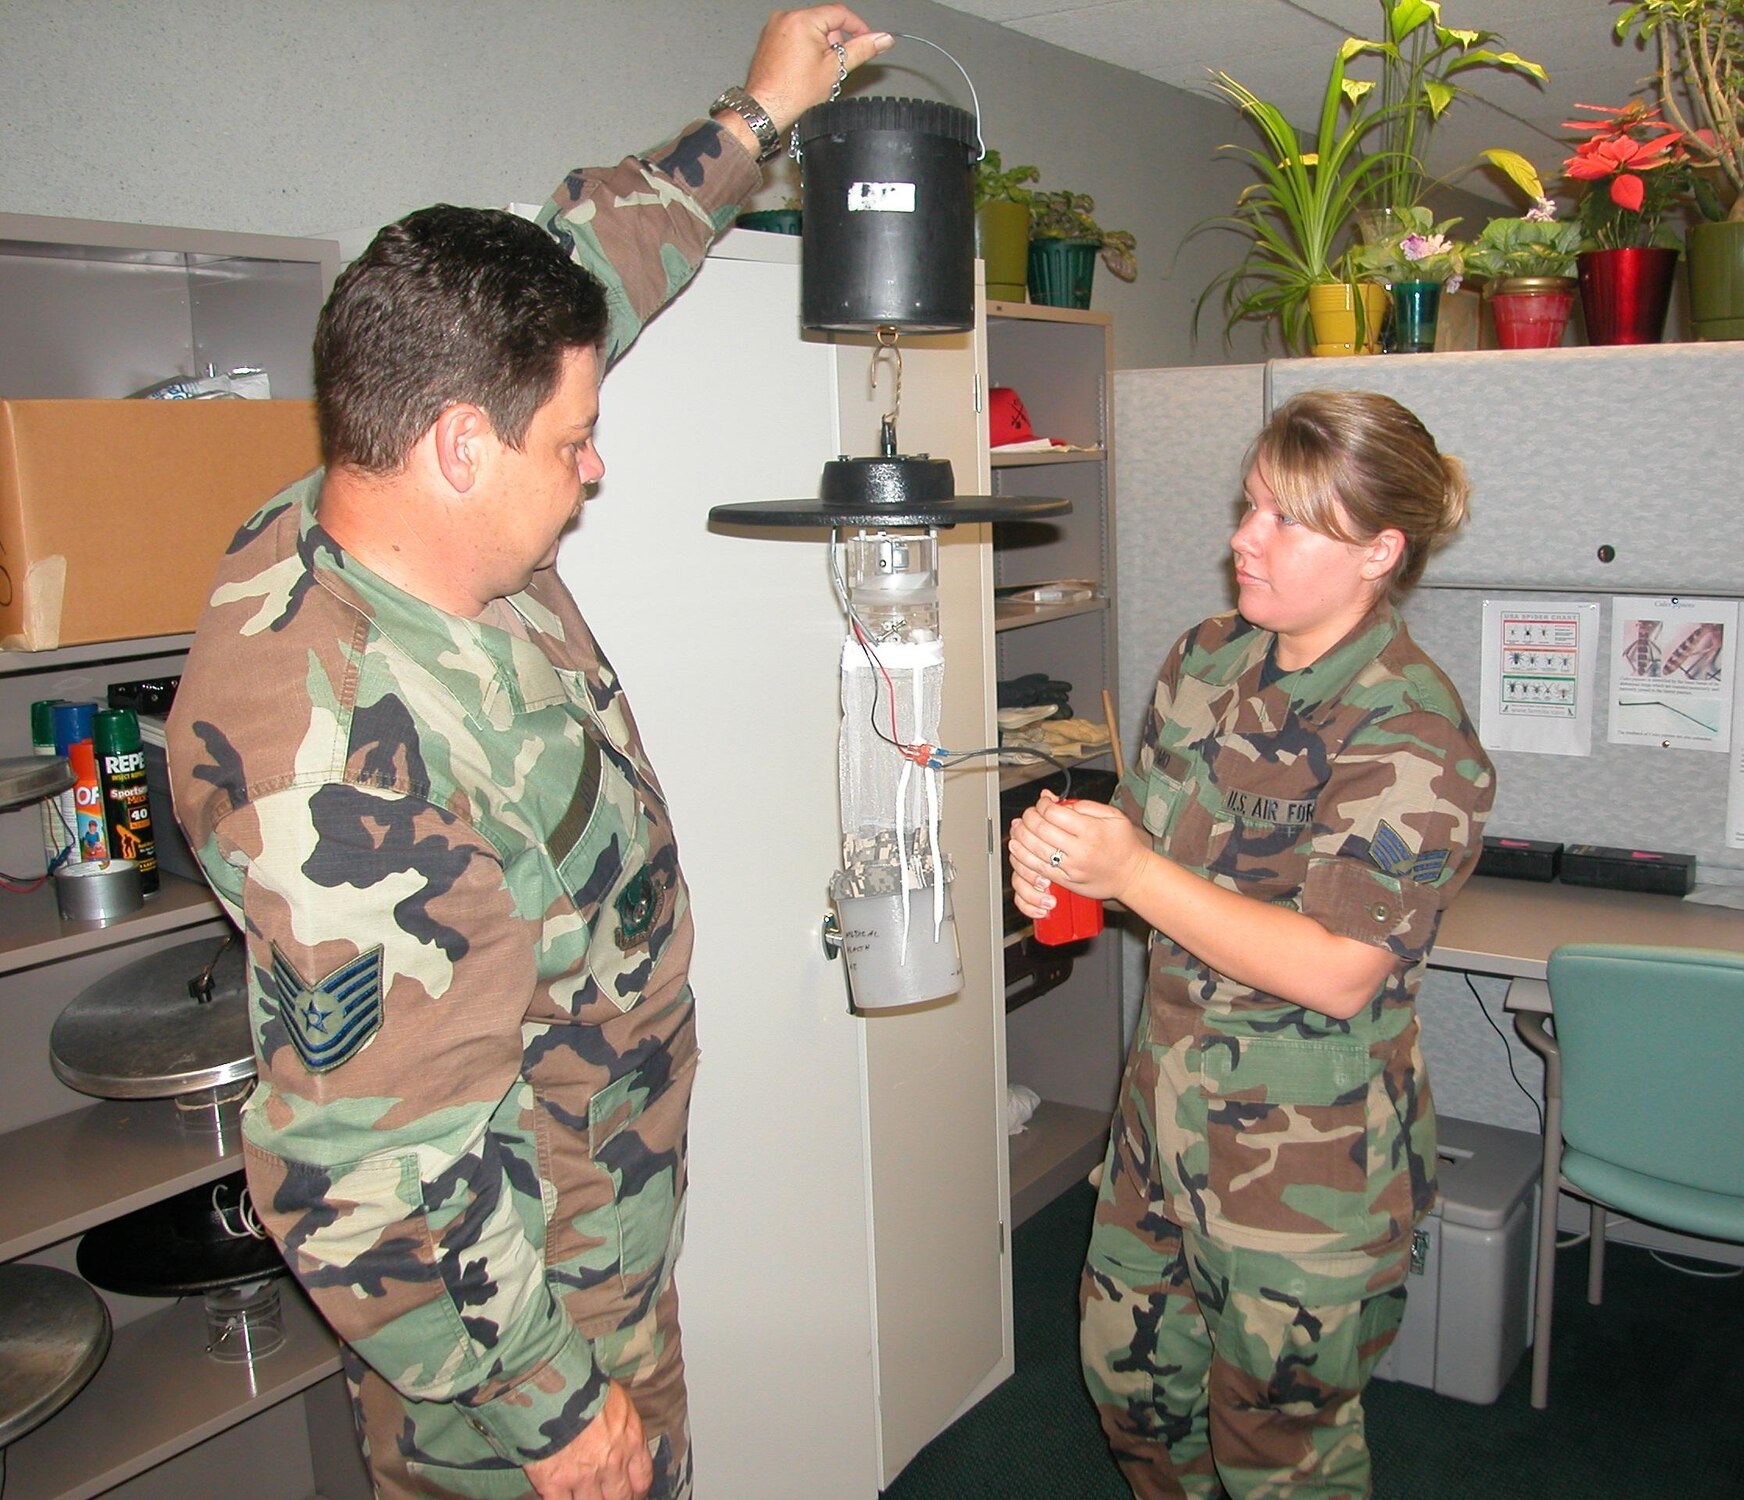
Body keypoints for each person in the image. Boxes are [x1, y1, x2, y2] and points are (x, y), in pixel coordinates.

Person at [164, 11, 890, 1499]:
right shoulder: (343, 764)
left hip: (597, 1223)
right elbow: (374, 1166)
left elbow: (578, 271)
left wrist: (754, 118)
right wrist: (556, 1411)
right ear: (457, 447)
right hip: (513, 1332)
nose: (597, 465)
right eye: (574, 441)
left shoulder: (390, 481)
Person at [1009, 390, 1495, 1499]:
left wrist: (1131, 869)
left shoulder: (1411, 732)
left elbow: (1334, 970)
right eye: (1248, 506)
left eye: (1285, 519)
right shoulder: (1205, 663)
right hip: (1160, 1124)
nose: (1241, 537)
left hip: (1305, 1169)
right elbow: (1157, 866)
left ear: (1379, 550)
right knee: (1131, 1394)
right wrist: (1067, 864)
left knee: (1280, 1449)